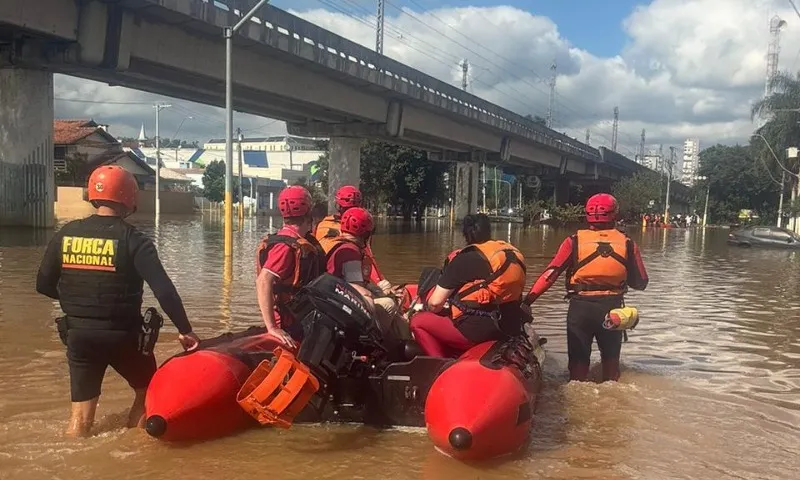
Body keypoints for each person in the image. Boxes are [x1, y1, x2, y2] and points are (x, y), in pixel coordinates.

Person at [35, 165, 200, 438]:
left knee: (80, 417)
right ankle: (130, 449)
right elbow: (164, 291)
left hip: (78, 335)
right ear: (129, 197)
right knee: (148, 392)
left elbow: (43, 284)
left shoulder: (65, 235)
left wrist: (79, 302)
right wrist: (185, 329)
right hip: (124, 336)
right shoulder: (134, 240)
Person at [524, 193, 648, 382]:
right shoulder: (628, 243)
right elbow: (641, 282)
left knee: (577, 370)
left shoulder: (574, 241)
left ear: (587, 214)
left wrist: (527, 301)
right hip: (612, 308)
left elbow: (551, 275)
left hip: (580, 309)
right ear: (615, 213)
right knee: (611, 369)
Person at [409, 214, 528, 358]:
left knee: (418, 322)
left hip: (479, 331)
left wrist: (423, 309)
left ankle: (440, 364)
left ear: (466, 235)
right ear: (489, 231)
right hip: (510, 325)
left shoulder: (464, 258)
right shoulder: (511, 253)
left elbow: (435, 304)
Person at [323, 207, 411, 349]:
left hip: (335, 302)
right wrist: (382, 294)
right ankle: (378, 345)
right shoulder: (350, 253)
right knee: (389, 305)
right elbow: (356, 289)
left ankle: (403, 341)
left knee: (385, 294)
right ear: (366, 233)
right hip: (342, 310)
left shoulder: (340, 245)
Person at [256, 185, 326, 348]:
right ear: (309, 211)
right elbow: (263, 281)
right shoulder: (286, 247)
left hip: (301, 316)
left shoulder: (295, 240)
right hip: (289, 323)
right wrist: (272, 327)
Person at [315, 185, 390, 289]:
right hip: (344, 284)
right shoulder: (357, 233)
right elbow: (366, 258)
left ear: (338, 205)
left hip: (324, 281)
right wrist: (379, 283)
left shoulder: (322, 225)